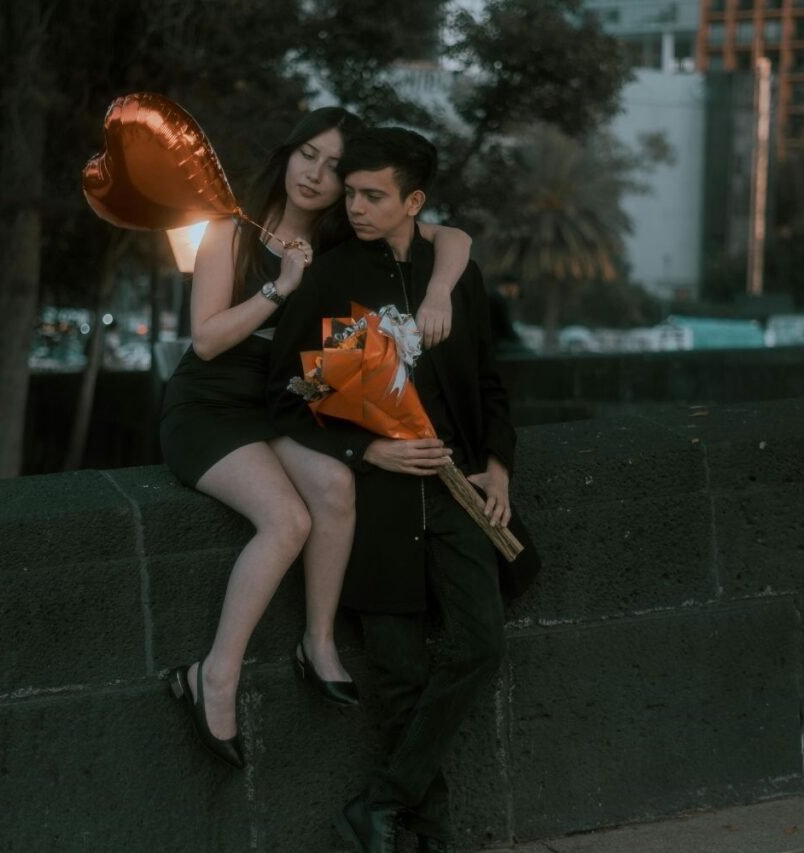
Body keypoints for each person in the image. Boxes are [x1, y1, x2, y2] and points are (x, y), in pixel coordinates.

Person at [159, 107, 474, 769]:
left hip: (282, 406)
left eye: (336, 168)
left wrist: (439, 291)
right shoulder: (231, 231)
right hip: (211, 405)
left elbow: (453, 238)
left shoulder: (343, 246)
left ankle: (318, 640)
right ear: (288, 154)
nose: (316, 174)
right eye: (309, 154)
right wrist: (282, 286)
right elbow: (208, 339)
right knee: (286, 520)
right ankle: (213, 676)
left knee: (334, 485)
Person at [268, 127, 540, 852]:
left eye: (371, 195)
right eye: (349, 192)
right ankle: (425, 835)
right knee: (395, 677)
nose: (352, 205)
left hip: (454, 494)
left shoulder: (454, 275)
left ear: (413, 200)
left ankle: (382, 801)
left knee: (479, 642)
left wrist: (500, 465)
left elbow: (489, 382)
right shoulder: (329, 276)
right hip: (375, 504)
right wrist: (369, 449)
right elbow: (288, 398)